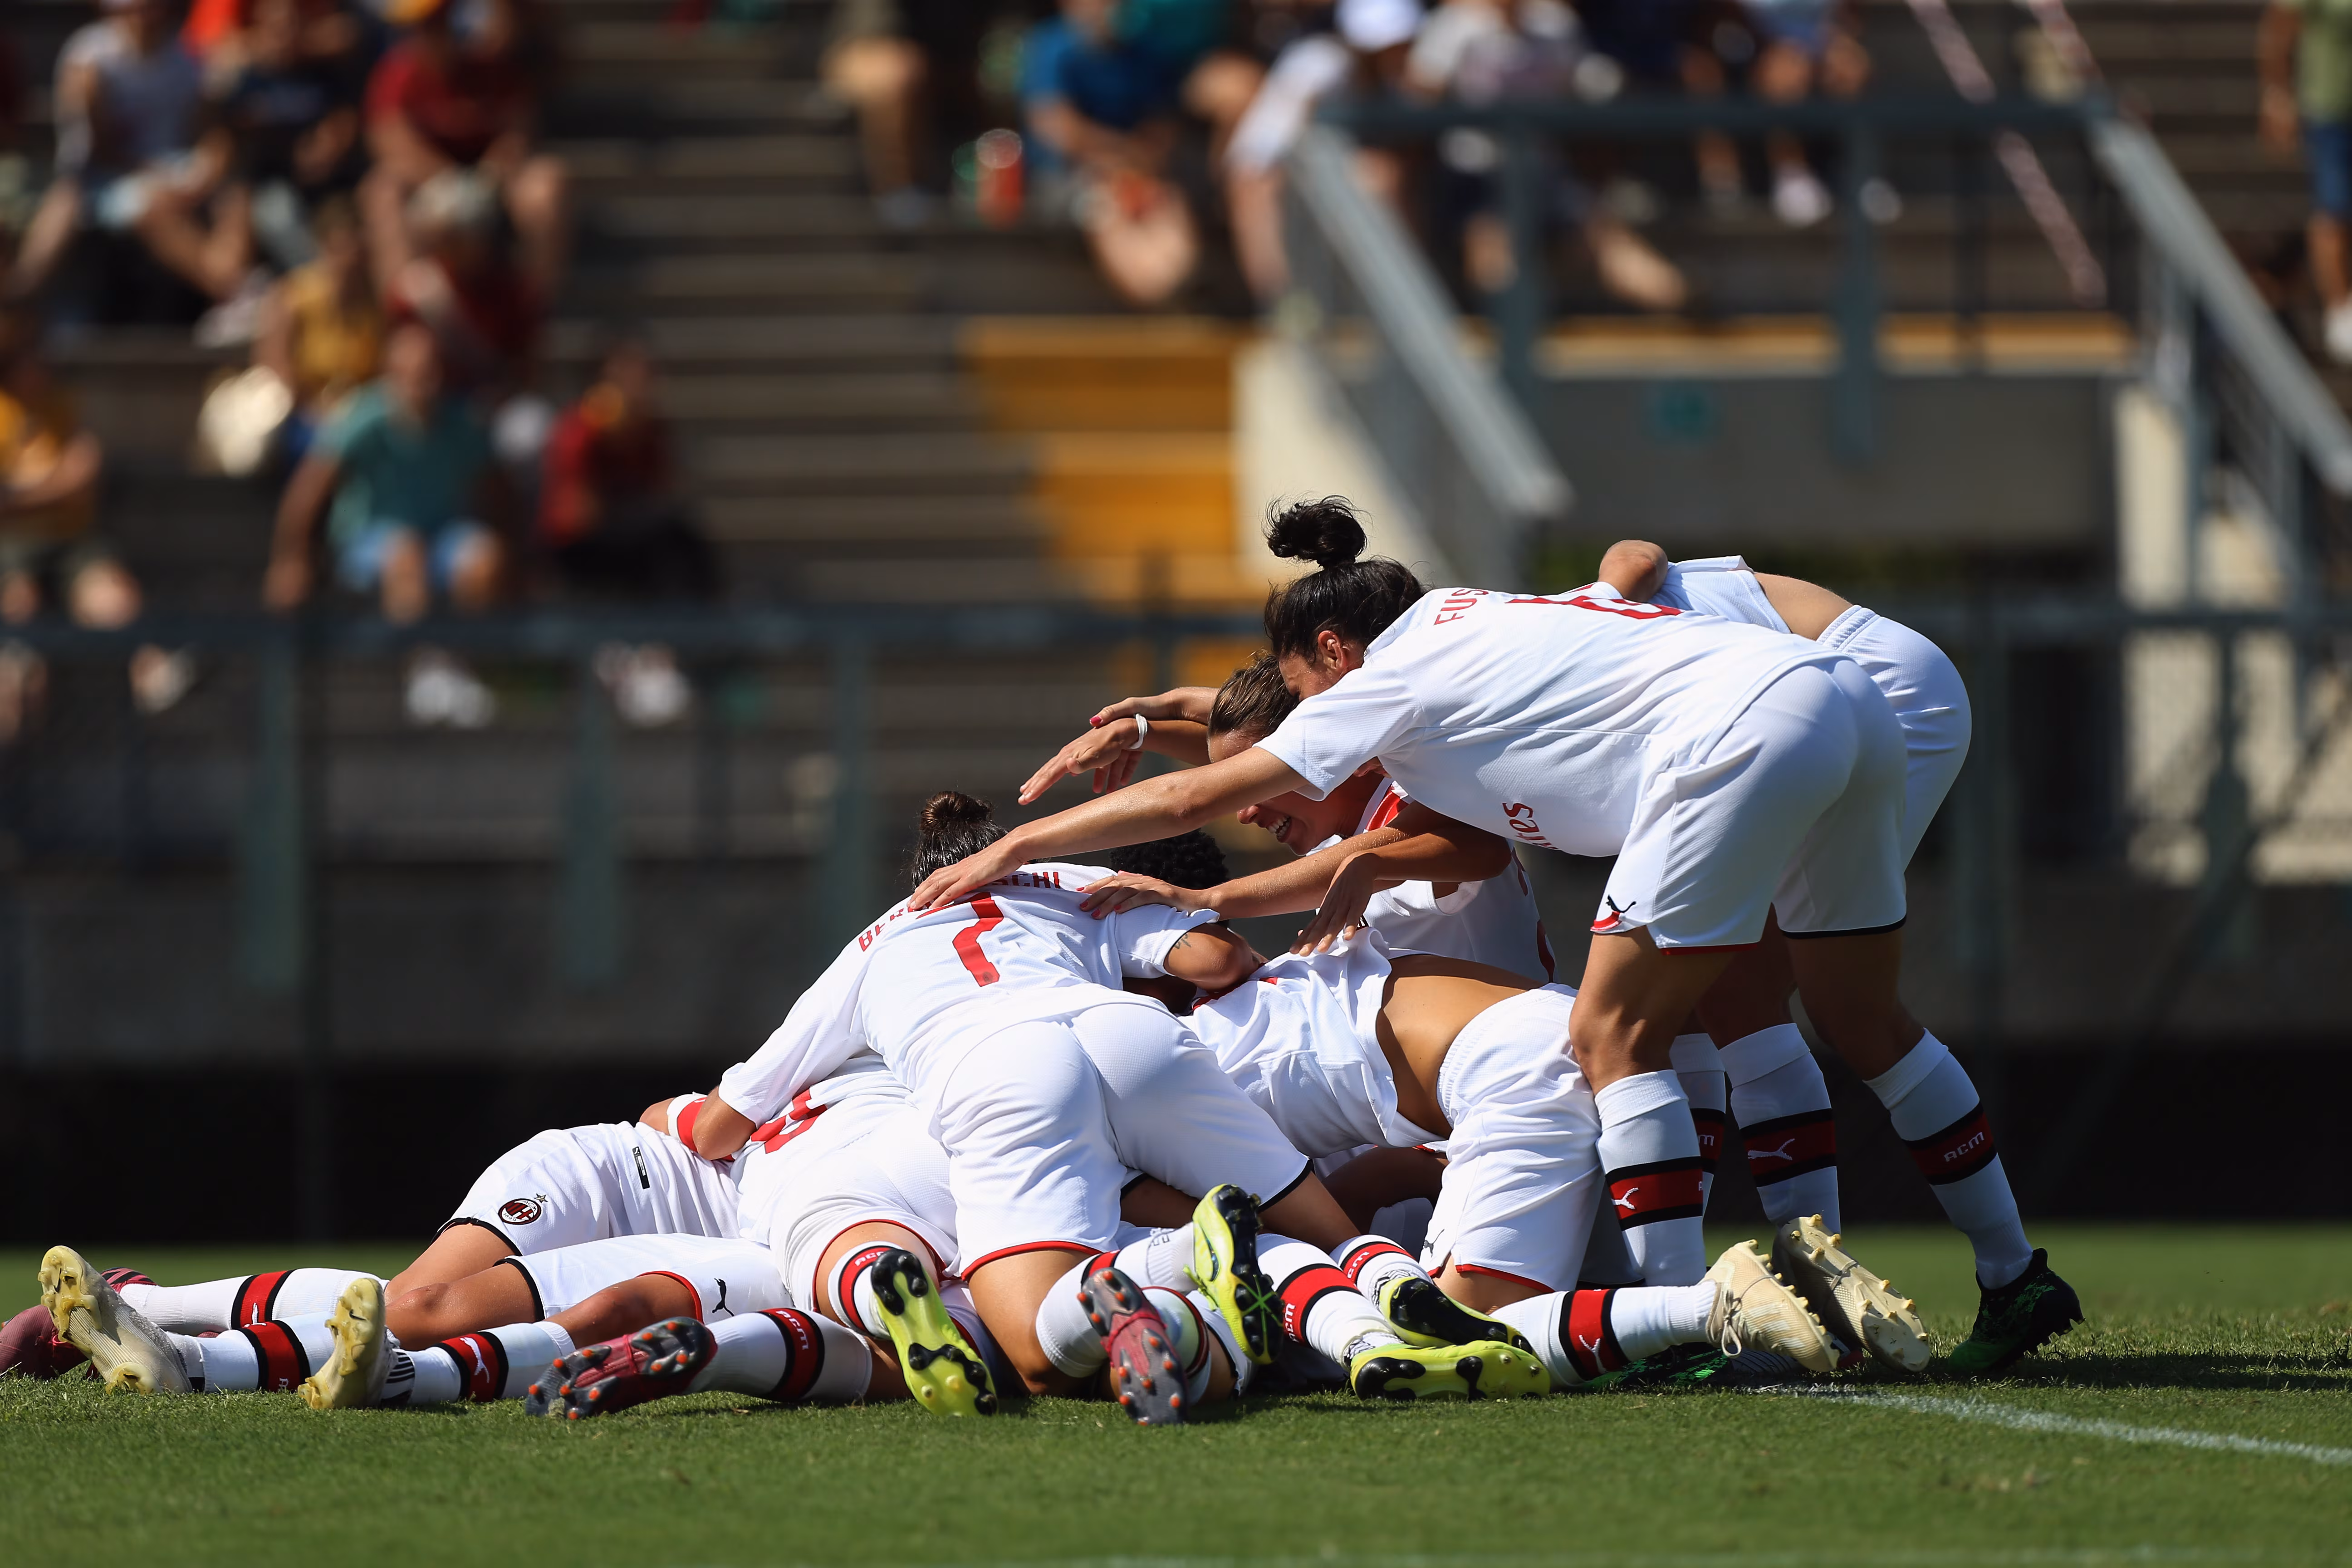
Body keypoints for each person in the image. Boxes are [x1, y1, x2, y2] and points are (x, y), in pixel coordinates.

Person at [913, 495, 1912, 1307]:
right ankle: (1685, 1292)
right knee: (1372, 1237)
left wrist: (1085, 860)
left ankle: (1694, 1297)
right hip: (1436, 1093)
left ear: (1337, 667)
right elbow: (1243, 743)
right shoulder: (1423, 690)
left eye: (1288, 762)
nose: (1257, 809)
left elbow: (1335, 811)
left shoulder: (1417, 778)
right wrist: (1151, 717)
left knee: (1481, 1250)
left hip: (1511, 1088)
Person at [686, 791, 1540, 1407]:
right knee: (1333, 1235)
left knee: (1033, 1352)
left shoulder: (871, 945)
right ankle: (1389, 1319)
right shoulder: (1061, 879)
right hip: (1134, 1038)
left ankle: (1175, 1260)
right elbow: (1215, 964)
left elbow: (724, 1126)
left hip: (1001, 1073)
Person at [1593, 541, 2083, 1373]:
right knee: (1729, 994)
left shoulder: (1528, 632)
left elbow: (1636, 555)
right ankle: (1829, 1290)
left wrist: (1601, 601)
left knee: (1833, 1007)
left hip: (1863, 691)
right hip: (1848, 695)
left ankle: (1998, 1276)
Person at [264, 321, 506, 727]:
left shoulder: (461, 424)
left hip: (442, 538)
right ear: (390, 375)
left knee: (483, 558)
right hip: (370, 542)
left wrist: (525, 554)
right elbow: (308, 491)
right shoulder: (363, 418)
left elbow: (499, 488)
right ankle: (425, 670)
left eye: (429, 373)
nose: (421, 385)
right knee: (406, 550)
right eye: (410, 374)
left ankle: (461, 669)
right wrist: (291, 558)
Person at [0, 310, 190, 740]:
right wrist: (53, 489)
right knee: (20, 614)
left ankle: (152, 674)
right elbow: (60, 485)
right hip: (12, 552)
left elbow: (85, 473)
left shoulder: (60, 406)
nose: (41, 365)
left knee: (112, 594)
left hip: (72, 541)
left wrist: (23, 497)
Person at [8, 0, 255, 316]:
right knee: (153, 207)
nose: (144, 16)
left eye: (151, 7)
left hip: (174, 168)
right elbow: (97, 150)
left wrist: (202, 177)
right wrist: (155, 176)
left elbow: (209, 130)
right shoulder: (89, 57)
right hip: (106, 178)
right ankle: (235, 292)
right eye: (134, 8)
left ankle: (234, 294)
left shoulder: (186, 56)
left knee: (237, 195)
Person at [539, 334, 717, 727]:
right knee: (668, 537)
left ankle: (675, 651)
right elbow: (575, 510)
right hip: (582, 546)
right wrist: (604, 436)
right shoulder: (582, 425)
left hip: (637, 543)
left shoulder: (650, 429)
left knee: (683, 543)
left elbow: (664, 488)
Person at [361, 0, 569, 295]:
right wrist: (452, 183)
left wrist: (489, 176)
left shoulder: (491, 68)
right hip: (431, 186)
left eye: (436, 26)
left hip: (492, 184)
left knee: (547, 182)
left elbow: (518, 132)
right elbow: (391, 141)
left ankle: (531, 303)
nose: (427, 35)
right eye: (421, 28)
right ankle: (402, 304)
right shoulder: (396, 73)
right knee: (382, 190)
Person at [1022, 0, 1198, 305]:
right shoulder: (1050, 45)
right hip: (1068, 178)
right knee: (1105, 204)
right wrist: (1117, 154)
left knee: (1166, 202)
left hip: (1139, 172)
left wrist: (1135, 161)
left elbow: (1163, 127)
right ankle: (1154, 296)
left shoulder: (1144, 50)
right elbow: (1055, 126)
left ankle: (1170, 289)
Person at [252, 192, 383, 461]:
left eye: (357, 253)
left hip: (360, 419)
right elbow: (275, 368)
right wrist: (317, 411)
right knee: (328, 445)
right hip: (302, 417)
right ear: (323, 247)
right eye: (340, 250)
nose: (349, 262)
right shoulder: (294, 298)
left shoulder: (374, 307)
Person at [2262, 0, 2352, 361]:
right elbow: (2280, 29)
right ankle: (2340, 308)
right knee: (2334, 208)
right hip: (2330, 110)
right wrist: (2278, 95)